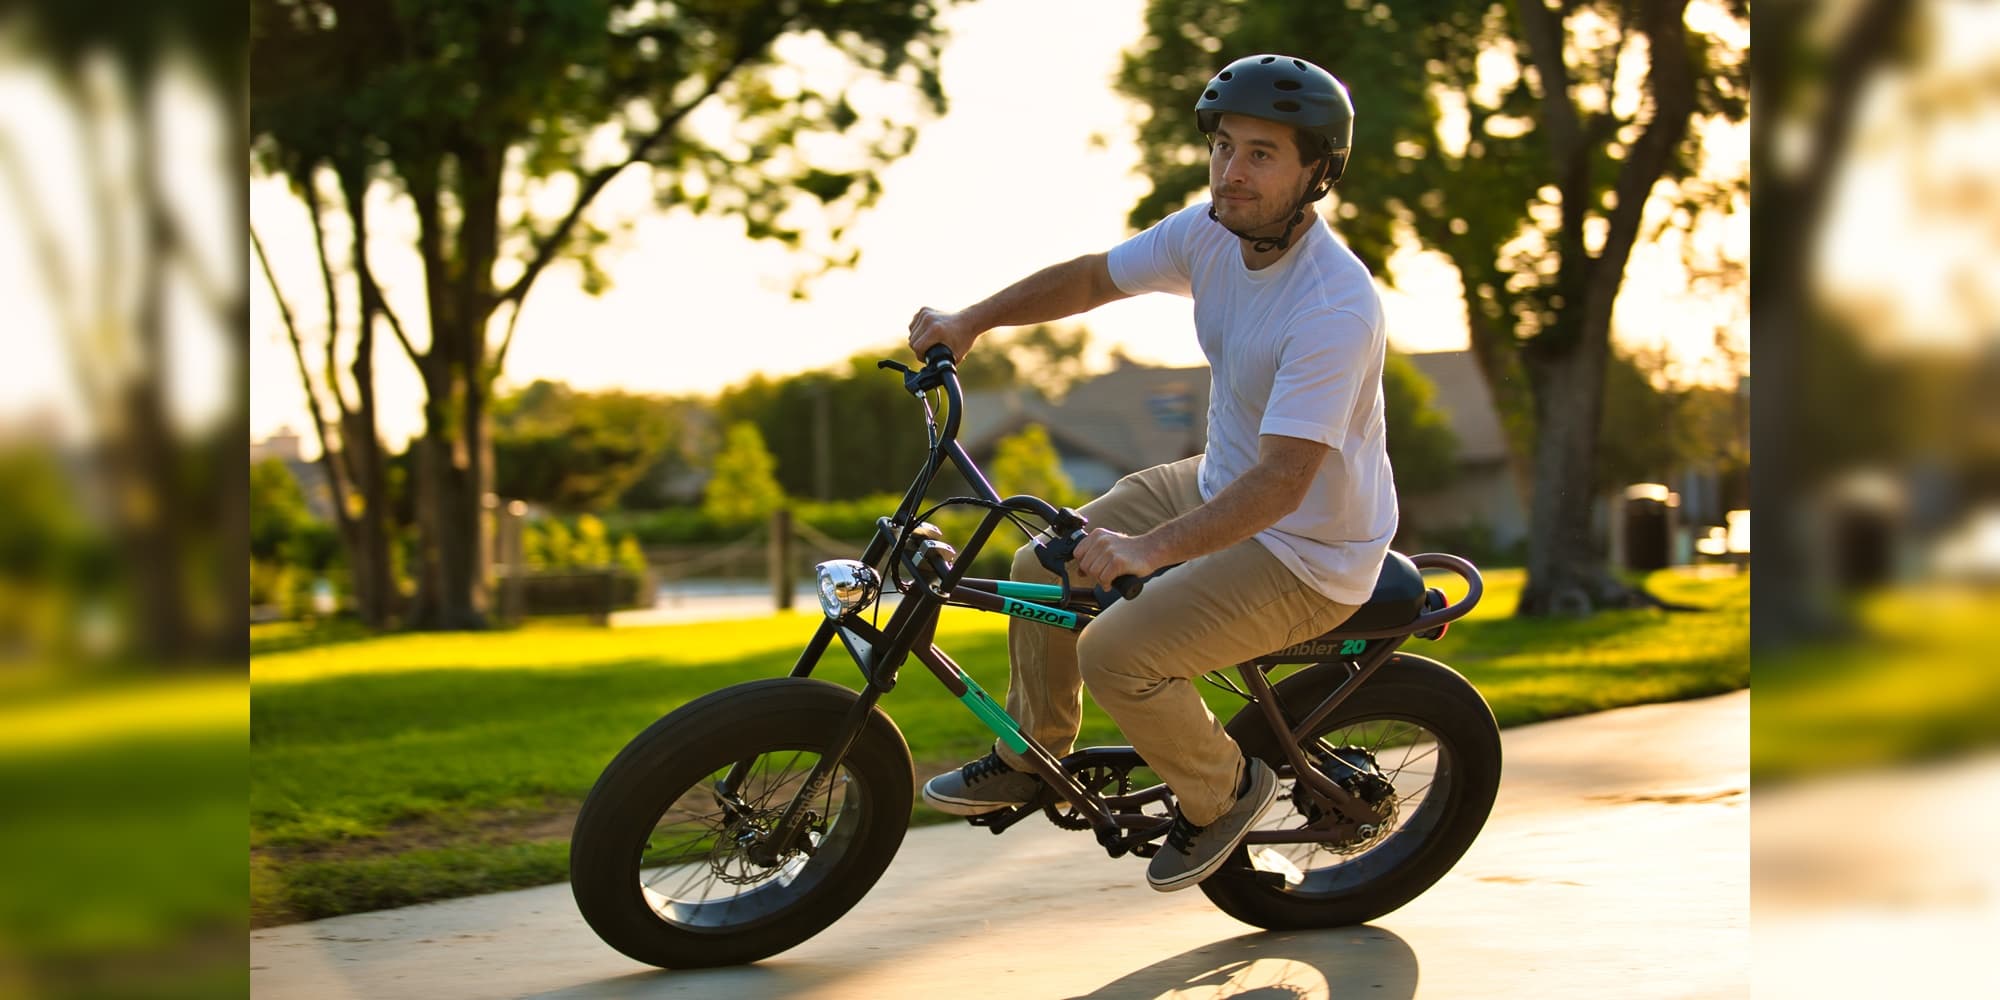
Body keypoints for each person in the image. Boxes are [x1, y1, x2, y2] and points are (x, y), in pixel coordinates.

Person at [907, 53, 1398, 893]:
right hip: (1221, 485)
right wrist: (974, 319)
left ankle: (1225, 789)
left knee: (1118, 654)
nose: (1231, 173)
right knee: (1041, 565)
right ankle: (1034, 752)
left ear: (1317, 171)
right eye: (1224, 147)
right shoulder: (1212, 231)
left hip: (1309, 548)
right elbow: (1097, 276)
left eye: (1261, 154)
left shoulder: (1333, 307)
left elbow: (1283, 484)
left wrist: (1147, 550)